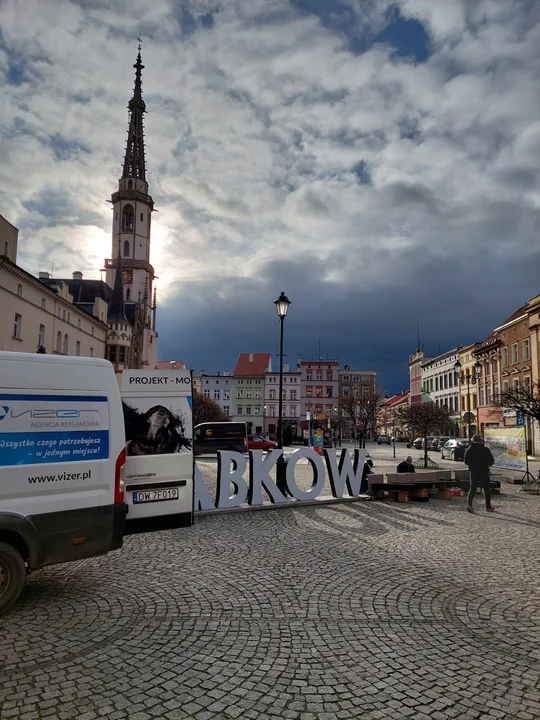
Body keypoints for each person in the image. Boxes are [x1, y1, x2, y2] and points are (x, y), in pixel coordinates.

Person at [126, 405, 191, 456]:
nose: (165, 417)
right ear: (149, 419)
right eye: (161, 413)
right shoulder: (131, 445)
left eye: (168, 417)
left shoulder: (172, 445)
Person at [464, 434, 495, 513]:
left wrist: (472, 464)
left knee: (473, 488)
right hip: (484, 471)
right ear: (480, 441)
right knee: (486, 489)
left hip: (473, 472)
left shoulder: (469, 450)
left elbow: (466, 462)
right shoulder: (485, 450)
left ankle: (469, 504)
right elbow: (491, 461)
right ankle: (488, 506)